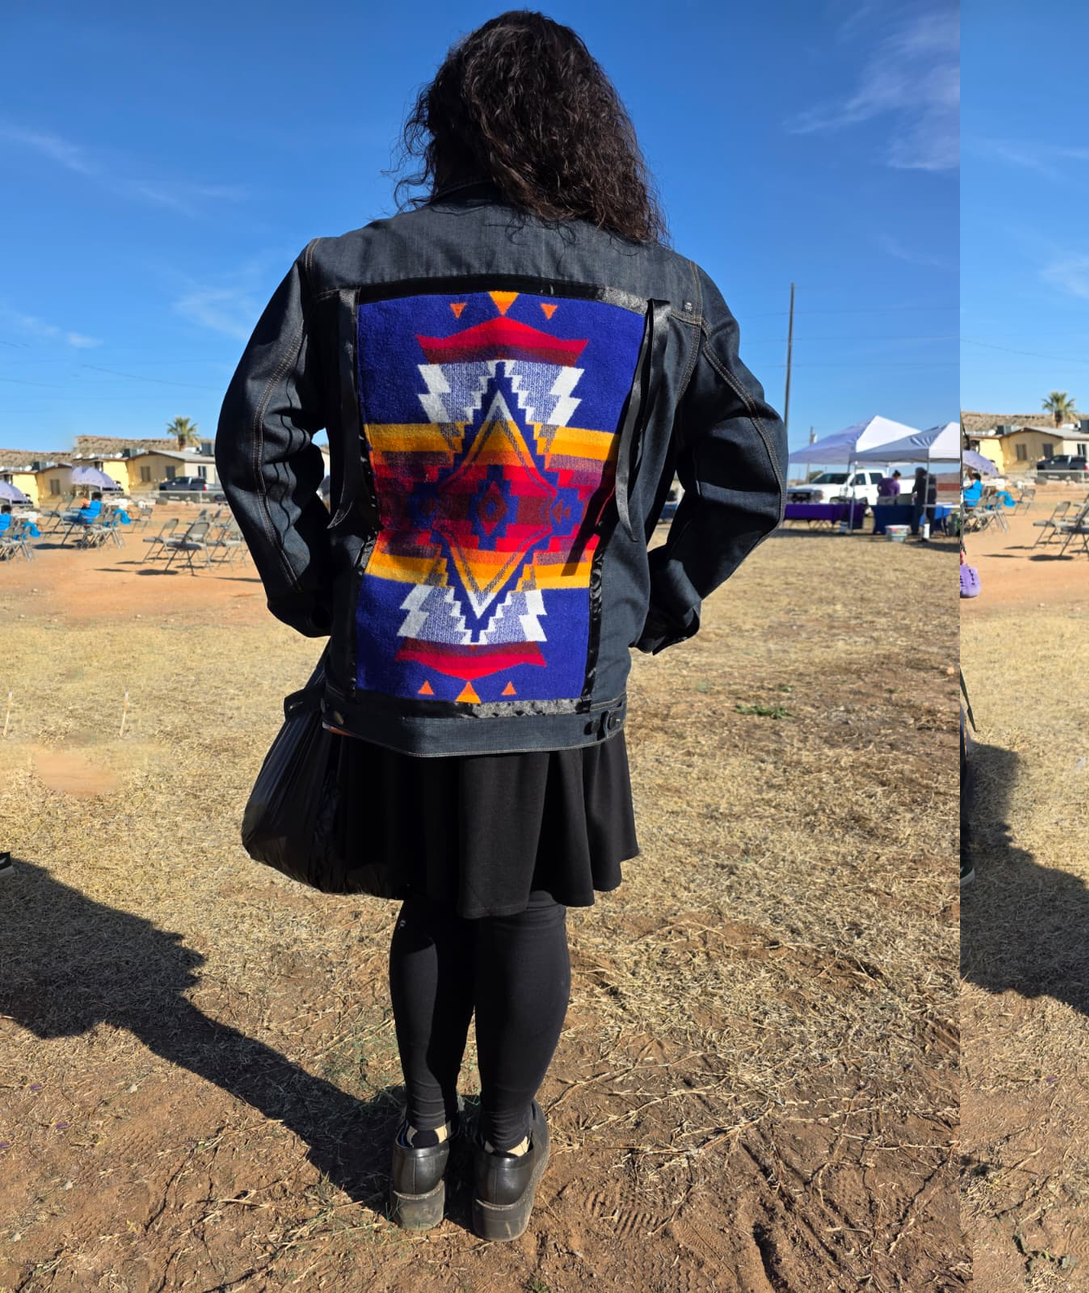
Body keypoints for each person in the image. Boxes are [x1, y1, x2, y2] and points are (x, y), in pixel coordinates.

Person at [215, 12, 786, 1240]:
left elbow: (255, 443)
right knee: (527, 909)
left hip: (399, 659)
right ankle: (505, 1148)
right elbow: (750, 478)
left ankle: (423, 1141)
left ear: (446, 126)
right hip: (560, 665)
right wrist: (658, 602)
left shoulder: (344, 266)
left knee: (431, 905)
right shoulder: (669, 296)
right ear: (593, 136)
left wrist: (323, 591)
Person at [911, 466, 935, 539]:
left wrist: (913, 492)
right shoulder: (932, 477)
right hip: (932, 499)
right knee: (931, 517)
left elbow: (915, 488)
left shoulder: (920, 477)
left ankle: (915, 531)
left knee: (917, 515)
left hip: (922, 499)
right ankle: (931, 532)